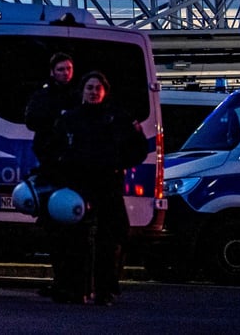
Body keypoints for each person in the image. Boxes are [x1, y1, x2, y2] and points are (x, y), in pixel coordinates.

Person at [47, 71, 148, 305]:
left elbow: (138, 146)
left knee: (111, 237)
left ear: (105, 91)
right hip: (77, 185)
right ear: (82, 91)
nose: (93, 92)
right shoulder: (70, 118)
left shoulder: (116, 117)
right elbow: (53, 146)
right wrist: (62, 166)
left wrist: (119, 163)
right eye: (89, 87)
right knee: (75, 239)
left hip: (107, 184)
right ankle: (74, 288)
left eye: (97, 88)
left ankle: (105, 289)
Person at [24, 51, 76, 296]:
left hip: (74, 170)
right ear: (52, 72)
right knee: (53, 227)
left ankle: (71, 280)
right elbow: (32, 120)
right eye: (60, 70)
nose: (65, 74)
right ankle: (61, 279)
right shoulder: (43, 97)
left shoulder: (78, 96)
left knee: (73, 229)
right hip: (51, 168)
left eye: (68, 69)